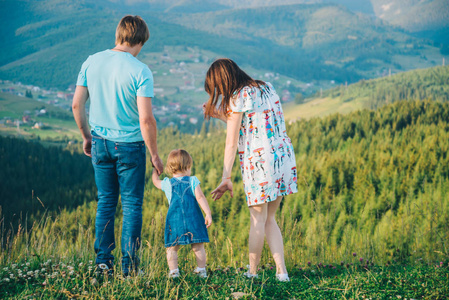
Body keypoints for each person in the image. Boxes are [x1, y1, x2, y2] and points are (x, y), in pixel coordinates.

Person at [72, 15, 163, 277]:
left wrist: (86, 136)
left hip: (100, 142)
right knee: (132, 205)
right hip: (131, 146)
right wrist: (155, 155)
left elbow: (77, 104)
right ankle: (130, 268)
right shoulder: (140, 70)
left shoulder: (91, 61)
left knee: (106, 202)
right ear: (141, 40)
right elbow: (146, 119)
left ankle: (103, 263)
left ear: (119, 35)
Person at [203, 58, 298, 282]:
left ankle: (253, 273)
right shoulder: (267, 87)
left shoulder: (237, 96)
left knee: (257, 219)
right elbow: (255, 123)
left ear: (223, 81)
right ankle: (281, 272)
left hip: (260, 163)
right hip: (282, 157)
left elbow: (232, 140)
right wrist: (221, 115)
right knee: (270, 218)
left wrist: (226, 176)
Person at [152, 149, 212, 278]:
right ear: (188, 166)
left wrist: (155, 169)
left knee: (172, 248)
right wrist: (207, 213)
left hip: (174, 220)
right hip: (194, 219)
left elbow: (155, 182)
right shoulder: (192, 181)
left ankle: (174, 272)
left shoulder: (167, 183)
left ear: (170, 167)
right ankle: (201, 270)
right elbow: (200, 197)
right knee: (198, 246)